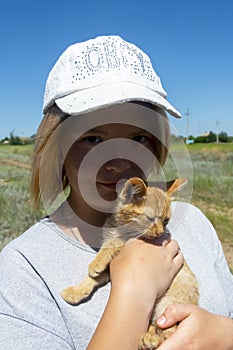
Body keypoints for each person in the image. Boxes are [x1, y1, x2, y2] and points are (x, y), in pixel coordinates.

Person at [0, 35, 232, 350]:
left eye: (138, 138)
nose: (119, 161)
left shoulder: (195, 224)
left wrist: (223, 334)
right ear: (55, 147)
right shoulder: (23, 270)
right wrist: (134, 292)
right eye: (93, 139)